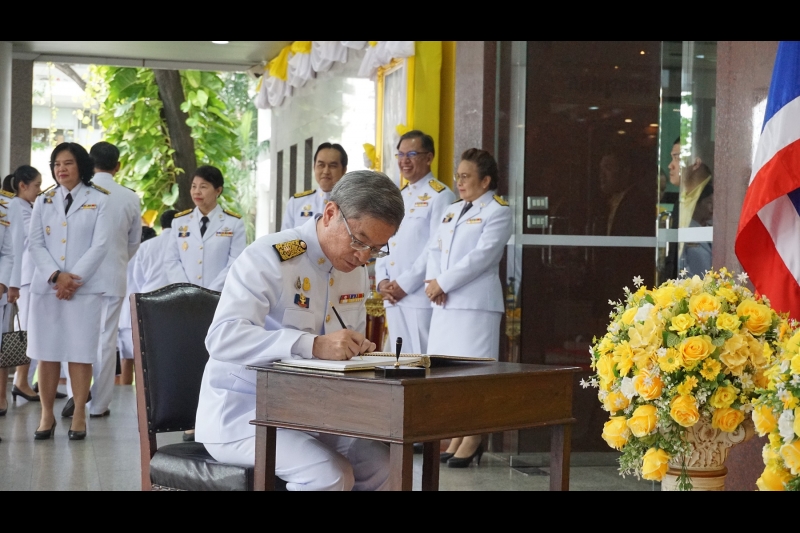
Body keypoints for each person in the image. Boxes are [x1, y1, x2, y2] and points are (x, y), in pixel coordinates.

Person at [196, 170, 404, 491]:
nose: (364, 257)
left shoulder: (355, 271)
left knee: (386, 467)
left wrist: (359, 352)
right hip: (244, 413)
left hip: (314, 414)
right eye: (359, 240)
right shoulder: (275, 255)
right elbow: (222, 338)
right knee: (329, 474)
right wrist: (313, 345)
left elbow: (345, 350)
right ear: (331, 213)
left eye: (377, 248)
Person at [424, 148, 512, 468]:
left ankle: (474, 436)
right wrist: (432, 283)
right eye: (457, 176)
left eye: (466, 176)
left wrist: (443, 283)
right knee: (448, 376)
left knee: (474, 375)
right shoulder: (452, 209)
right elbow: (434, 248)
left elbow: (481, 257)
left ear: (486, 180)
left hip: (475, 306)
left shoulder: (498, 211)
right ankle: (459, 433)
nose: (459, 182)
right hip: (445, 304)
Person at [27, 142, 111, 440]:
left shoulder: (100, 200)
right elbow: (34, 243)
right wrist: (56, 277)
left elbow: (100, 245)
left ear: (82, 166)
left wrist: (72, 279)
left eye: (68, 163)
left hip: (83, 290)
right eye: (56, 164)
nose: (61, 169)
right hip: (47, 289)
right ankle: (46, 415)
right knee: (46, 353)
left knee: (80, 353)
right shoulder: (43, 200)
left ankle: (78, 415)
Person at [60, 142, 141, 419]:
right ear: (118, 166)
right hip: (113, 277)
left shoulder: (79, 192)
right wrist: (117, 261)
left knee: (77, 338)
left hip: (79, 278)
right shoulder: (130, 197)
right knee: (107, 340)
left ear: (87, 162)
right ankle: (99, 405)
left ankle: (75, 397)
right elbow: (133, 243)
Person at [376, 130, 454, 355]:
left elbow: (435, 246)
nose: (404, 161)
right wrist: (382, 281)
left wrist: (405, 284)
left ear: (428, 158)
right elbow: (385, 240)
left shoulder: (440, 195)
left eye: (411, 154)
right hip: (392, 295)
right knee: (397, 360)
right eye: (400, 155)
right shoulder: (397, 195)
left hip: (418, 295)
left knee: (421, 359)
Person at [5, 167, 50, 403]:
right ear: (23, 185)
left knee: (33, 330)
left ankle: (27, 380)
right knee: (28, 332)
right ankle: (21, 381)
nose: (39, 190)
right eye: (36, 185)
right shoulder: (18, 209)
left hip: (29, 277)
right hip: (23, 278)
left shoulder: (26, 208)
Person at [164, 165, 246, 292]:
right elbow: (171, 260)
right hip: (185, 297)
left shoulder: (233, 223)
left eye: (203, 187)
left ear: (218, 190)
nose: (196, 191)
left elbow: (235, 262)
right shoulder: (179, 222)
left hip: (219, 296)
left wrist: (210, 292)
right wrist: (186, 290)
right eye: (193, 186)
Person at [116, 225, 157, 385]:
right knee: (143, 361)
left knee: (125, 360)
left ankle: (120, 395)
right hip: (136, 312)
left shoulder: (124, 255)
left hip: (122, 314)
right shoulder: (147, 255)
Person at [281, 143, 347, 231]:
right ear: (314, 167)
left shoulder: (352, 204)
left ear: (344, 170)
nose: (326, 171)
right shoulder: (296, 203)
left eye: (332, 166)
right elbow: (285, 239)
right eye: (321, 165)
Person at [0, 177, 17, 416]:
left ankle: (0, 396)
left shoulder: (5, 209)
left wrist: (3, 281)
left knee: (0, 346)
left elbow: (9, 251)